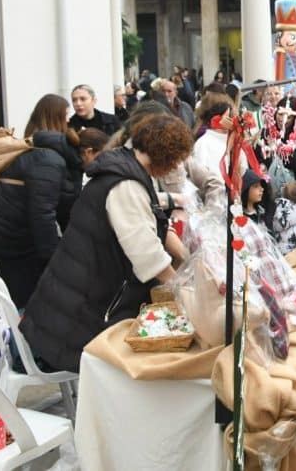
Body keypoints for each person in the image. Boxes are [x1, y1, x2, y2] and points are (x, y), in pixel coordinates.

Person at [20, 113, 193, 372]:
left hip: (66, 307)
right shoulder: (126, 185)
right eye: (176, 160)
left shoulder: (122, 167)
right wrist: (186, 293)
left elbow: (147, 212)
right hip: (78, 319)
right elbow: (149, 258)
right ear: (164, 155)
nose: (175, 167)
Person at [0, 95, 81, 307]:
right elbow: (43, 214)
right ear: (57, 118)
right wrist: (53, 260)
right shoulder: (48, 159)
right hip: (20, 247)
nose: (69, 121)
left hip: (6, 240)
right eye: (66, 116)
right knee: (26, 308)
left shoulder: (26, 150)